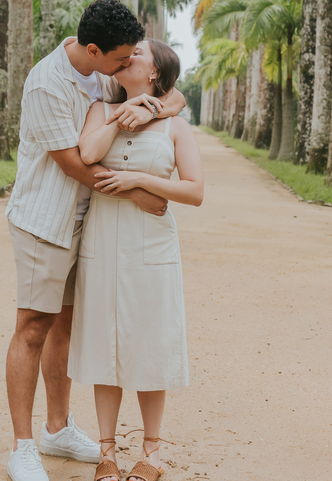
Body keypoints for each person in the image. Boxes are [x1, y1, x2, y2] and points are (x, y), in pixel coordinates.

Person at [4, 0, 186, 481]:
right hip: (45, 220)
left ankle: (57, 428)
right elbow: (73, 162)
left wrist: (157, 107)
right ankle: (23, 446)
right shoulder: (46, 84)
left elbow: (173, 95)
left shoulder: (104, 73)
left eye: (131, 58)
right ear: (93, 50)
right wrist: (138, 192)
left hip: (86, 224)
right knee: (33, 327)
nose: (127, 65)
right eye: (122, 59)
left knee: (64, 327)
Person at [71, 39, 204, 481]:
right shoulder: (100, 109)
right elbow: (88, 155)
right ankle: (106, 452)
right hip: (102, 241)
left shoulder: (175, 127)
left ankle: (152, 453)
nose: (128, 56)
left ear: (154, 72)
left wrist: (139, 180)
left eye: (139, 53)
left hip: (152, 244)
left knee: (150, 343)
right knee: (104, 345)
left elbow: (194, 191)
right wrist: (120, 115)